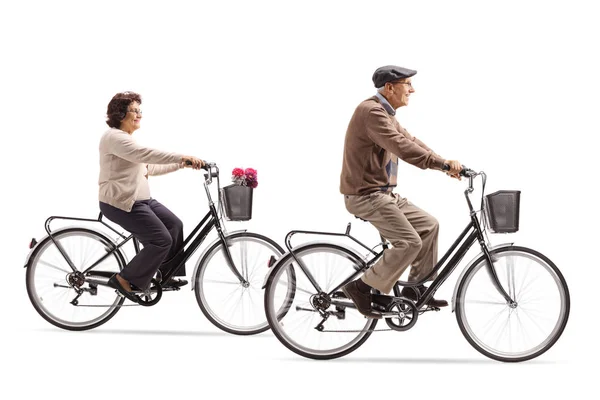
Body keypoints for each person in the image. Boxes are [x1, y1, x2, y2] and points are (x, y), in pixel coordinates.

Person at [340, 66, 463, 318]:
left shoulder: (385, 113)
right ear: (390, 87)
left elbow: (411, 140)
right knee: (408, 242)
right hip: (365, 196)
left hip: (384, 194)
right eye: (408, 84)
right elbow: (402, 147)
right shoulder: (371, 112)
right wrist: (440, 164)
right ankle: (360, 287)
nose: (412, 89)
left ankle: (413, 291)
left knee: (429, 225)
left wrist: (445, 164)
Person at [98, 91, 204, 302]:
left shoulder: (127, 140)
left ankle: (167, 274)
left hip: (141, 201)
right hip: (121, 203)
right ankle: (125, 279)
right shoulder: (114, 137)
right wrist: (181, 156)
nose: (139, 115)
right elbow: (144, 154)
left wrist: (182, 164)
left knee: (174, 225)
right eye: (134, 111)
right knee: (161, 240)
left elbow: (149, 167)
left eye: (140, 110)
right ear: (120, 114)